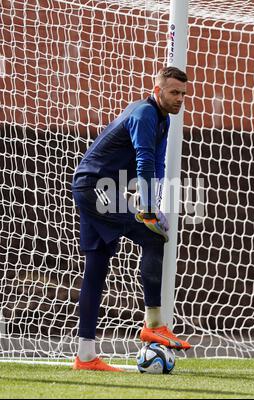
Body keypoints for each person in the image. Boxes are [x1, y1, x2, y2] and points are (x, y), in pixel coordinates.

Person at [72, 66, 191, 372]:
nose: (179, 99)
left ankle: (85, 356)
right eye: (174, 92)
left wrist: (158, 204)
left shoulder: (163, 119)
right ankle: (153, 323)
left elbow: (159, 163)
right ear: (158, 90)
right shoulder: (145, 113)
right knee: (153, 236)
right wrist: (148, 208)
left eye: (183, 94)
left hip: (100, 189)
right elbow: (144, 159)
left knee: (96, 267)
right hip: (96, 188)